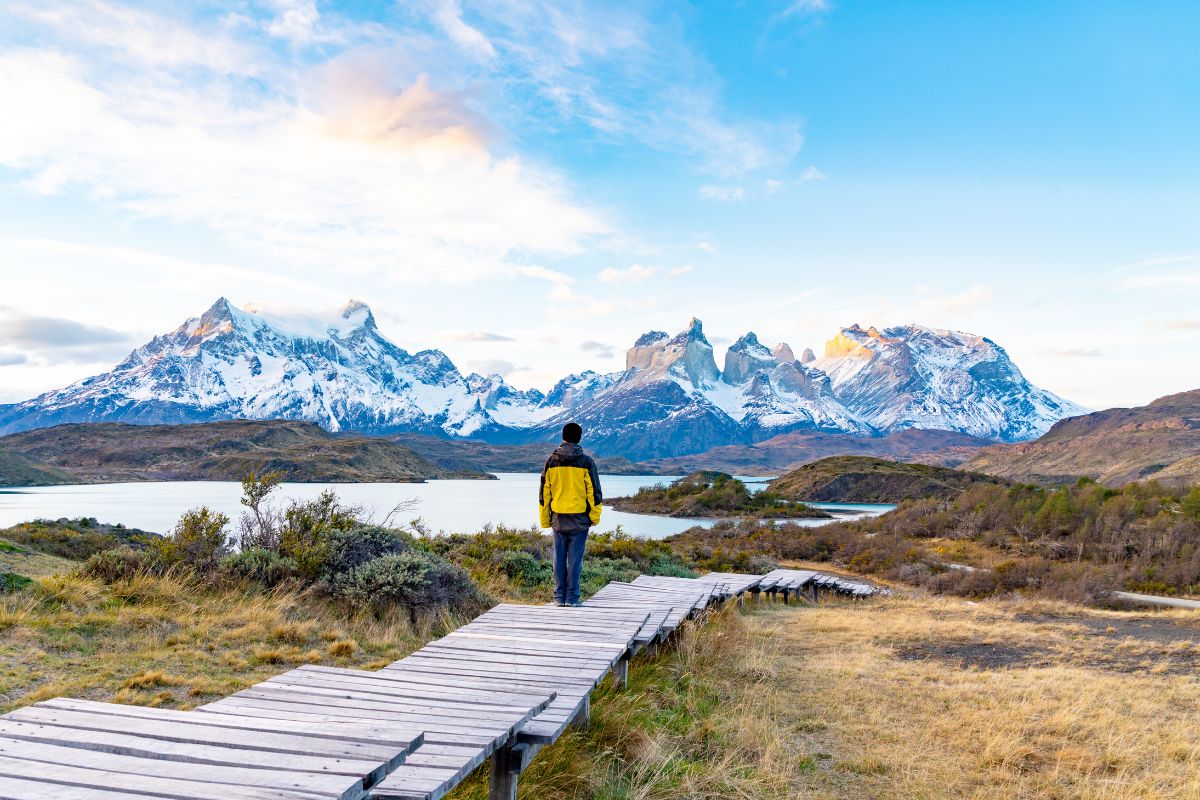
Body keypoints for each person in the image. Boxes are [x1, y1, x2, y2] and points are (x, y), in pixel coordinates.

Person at [538, 422, 603, 607]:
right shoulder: (586, 462)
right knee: (575, 560)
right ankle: (572, 598)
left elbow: (544, 494)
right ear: (579, 438)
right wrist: (595, 517)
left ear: (563, 437)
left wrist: (545, 519)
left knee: (558, 558)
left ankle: (559, 597)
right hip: (580, 519)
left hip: (558, 518)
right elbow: (594, 493)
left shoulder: (551, 461)